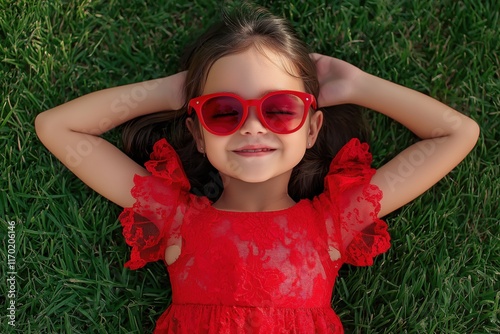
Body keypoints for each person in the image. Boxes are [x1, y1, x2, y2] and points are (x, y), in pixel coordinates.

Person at [34, 3, 479, 333]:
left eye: (280, 109)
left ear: (311, 129)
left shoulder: (334, 221)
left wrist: (359, 85)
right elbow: (56, 127)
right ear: (198, 131)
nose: (251, 127)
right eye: (224, 111)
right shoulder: (175, 218)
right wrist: (173, 91)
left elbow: (457, 134)